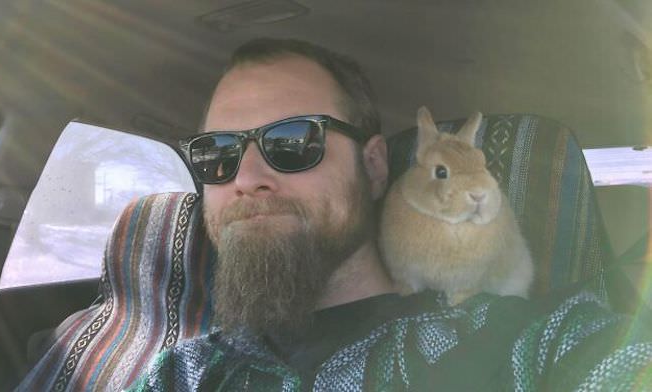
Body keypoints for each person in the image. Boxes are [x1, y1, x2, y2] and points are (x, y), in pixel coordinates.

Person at [129, 38, 652, 391]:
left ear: (375, 166)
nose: (244, 178)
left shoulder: (516, 341)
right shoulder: (181, 372)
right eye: (216, 153)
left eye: (291, 142)